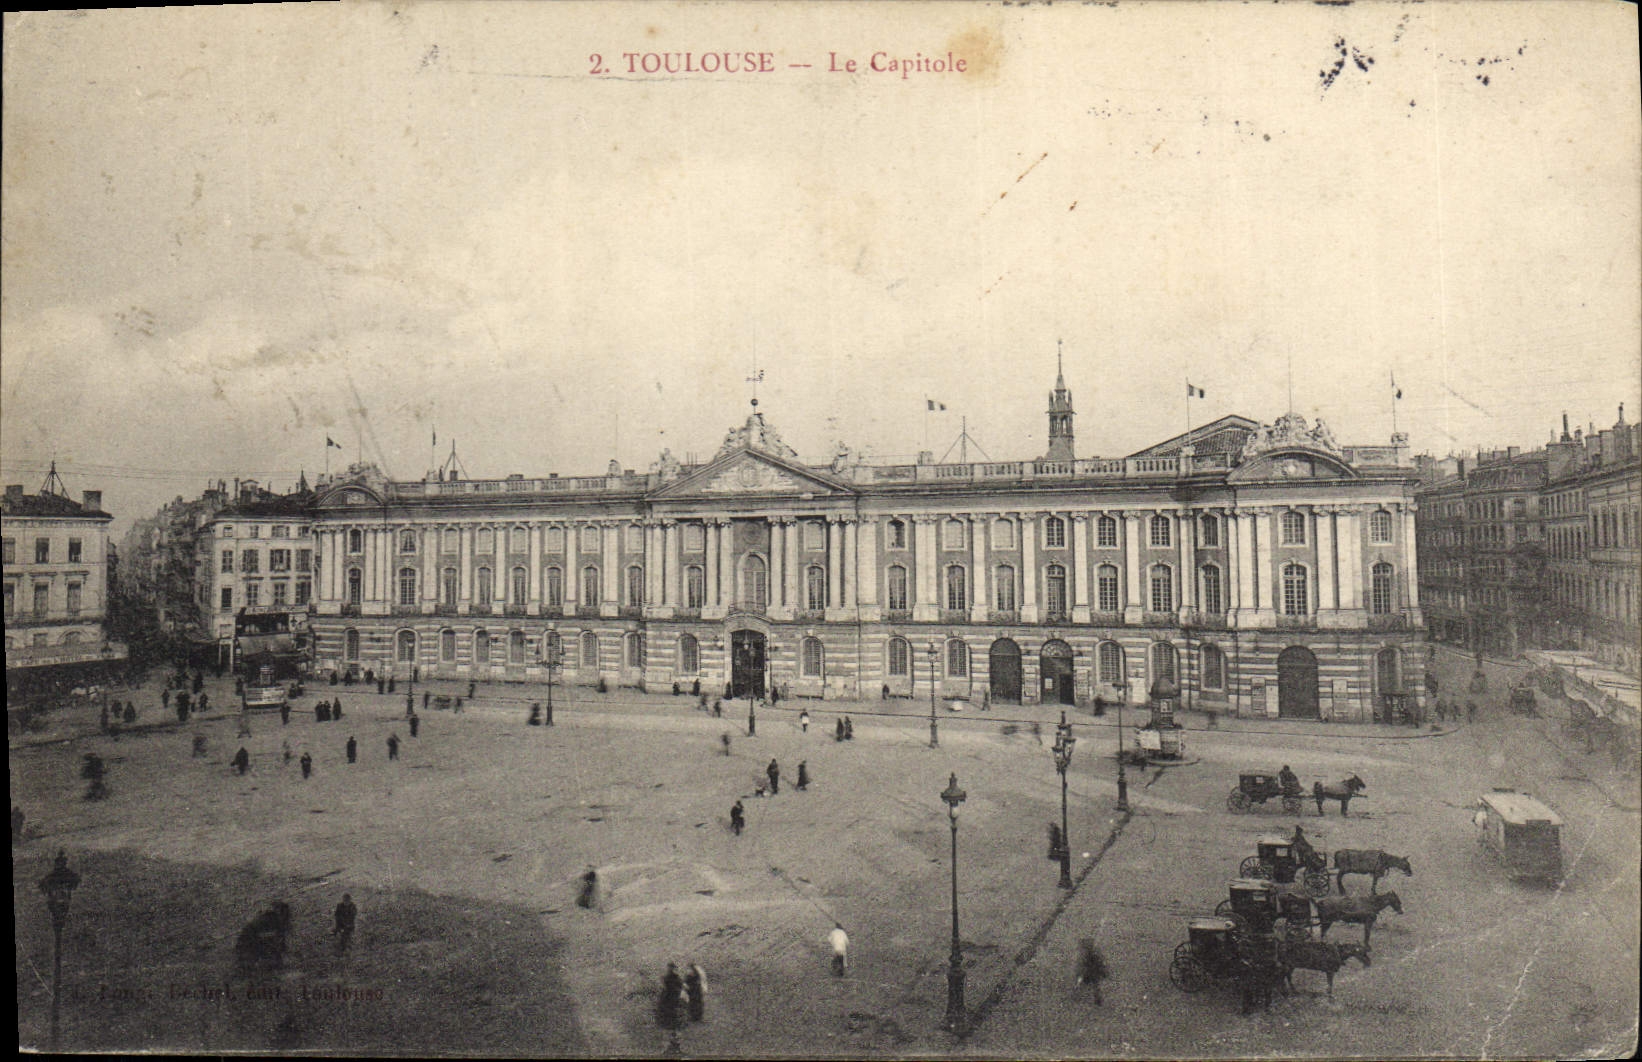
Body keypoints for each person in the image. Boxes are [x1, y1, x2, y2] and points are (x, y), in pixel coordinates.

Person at [1076, 938, 1108, 1004]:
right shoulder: (1094, 954)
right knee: (1095, 986)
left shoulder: (1089, 955)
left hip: (1090, 972)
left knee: (1088, 985)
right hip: (1092, 972)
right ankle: (1096, 998)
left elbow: (1083, 964)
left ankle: (1078, 996)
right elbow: (1100, 963)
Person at [658, 963, 685, 1031]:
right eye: (669, 968)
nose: (669, 969)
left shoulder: (674, 977)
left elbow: (679, 985)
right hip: (669, 995)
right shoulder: (668, 976)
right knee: (668, 1009)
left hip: (672, 995)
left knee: (671, 1009)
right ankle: (668, 1023)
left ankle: (671, 1024)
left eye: (671, 968)